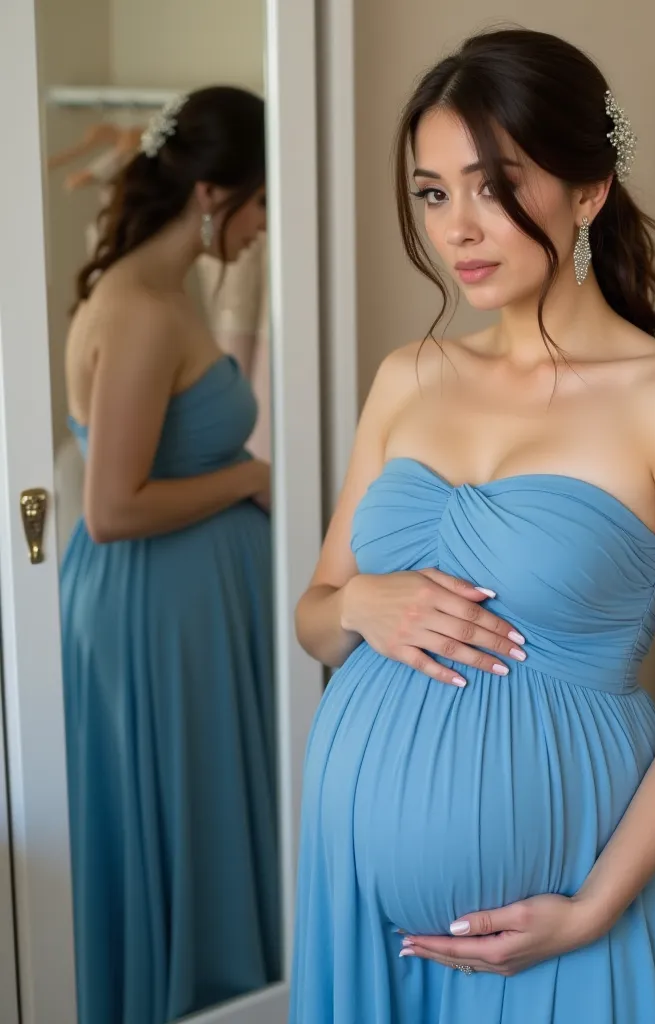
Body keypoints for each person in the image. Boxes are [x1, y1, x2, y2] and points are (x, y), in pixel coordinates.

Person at [291, 29, 655, 1023]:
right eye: (431, 192)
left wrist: (593, 907)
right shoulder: (406, 377)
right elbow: (315, 619)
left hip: (571, 898)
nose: (458, 226)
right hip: (358, 899)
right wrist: (360, 602)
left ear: (586, 191)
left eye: (494, 185)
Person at [61, 86, 281, 1024]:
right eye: (263, 200)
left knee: (206, 835)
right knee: (185, 836)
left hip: (186, 611)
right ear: (214, 194)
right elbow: (111, 507)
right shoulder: (143, 309)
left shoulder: (166, 290)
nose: (266, 225)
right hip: (156, 618)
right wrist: (249, 480)